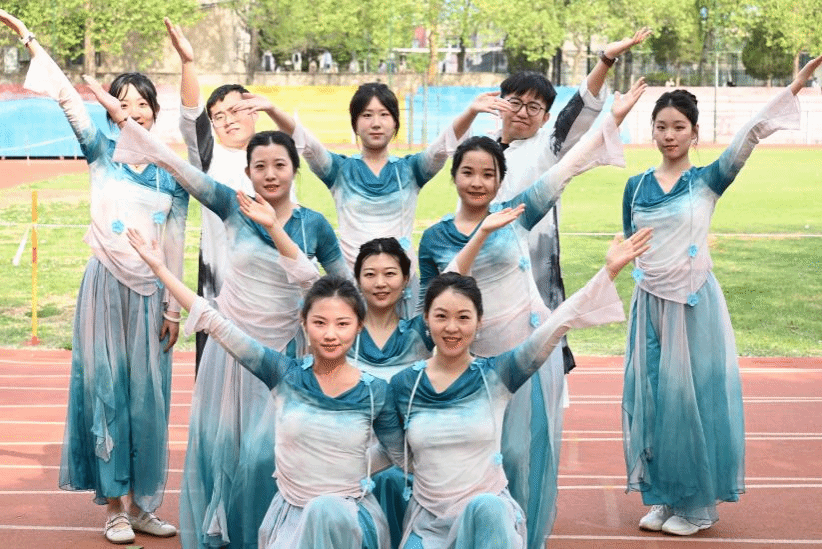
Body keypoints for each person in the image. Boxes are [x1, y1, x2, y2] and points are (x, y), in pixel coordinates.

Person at [92, 84, 350, 547]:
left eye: (280, 165)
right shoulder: (233, 205)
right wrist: (123, 119)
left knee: (267, 452)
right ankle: (221, 532)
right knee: (221, 448)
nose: (270, 174)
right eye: (260, 166)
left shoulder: (314, 225)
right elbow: (176, 165)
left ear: (295, 169)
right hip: (230, 350)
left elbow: (340, 289)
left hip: (283, 355)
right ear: (247, 172)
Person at [416, 78, 646, 547]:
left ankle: (526, 539)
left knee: (525, 456)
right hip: (471, 363)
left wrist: (613, 118)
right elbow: (435, 298)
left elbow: (567, 168)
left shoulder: (517, 215)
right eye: (468, 172)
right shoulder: (437, 237)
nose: (477, 182)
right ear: (454, 177)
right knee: (476, 458)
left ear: (499, 179)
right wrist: (482, 232)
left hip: (527, 353)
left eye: (487, 174)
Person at [0, 10, 188, 544]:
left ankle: (144, 506)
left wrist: (174, 308)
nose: (133, 111)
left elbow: (175, 243)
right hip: (104, 287)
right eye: (122, 102)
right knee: (107, 392)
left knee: (148, 400)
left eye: (143, 103)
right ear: (110, 112)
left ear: (155, 113)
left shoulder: (172, 176)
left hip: (151, 296)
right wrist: (29, 39)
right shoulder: (101, 153)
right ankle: (115, 509)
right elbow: (65, 95)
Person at [621, 54, 822, 536]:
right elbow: (629, 242)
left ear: (694, 133)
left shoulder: (708, 180)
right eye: (661, 126)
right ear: (652, 131)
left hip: (693, 305)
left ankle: (695, 506)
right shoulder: (635, 186)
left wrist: (794, 86)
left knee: (690, 401)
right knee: (654, 400)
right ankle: (665, 496)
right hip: (648, 304)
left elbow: (749, 135)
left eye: (679, 127)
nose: (669, 135)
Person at [127, 228, 405, 548]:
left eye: (342, 324)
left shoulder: (374, 392)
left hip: (349, 522)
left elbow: (397, 453)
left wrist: (352, 466)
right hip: (291, 522)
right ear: (303, 323)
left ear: (358, 326)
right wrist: (159, 268)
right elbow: (216, 324)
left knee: (327, 510)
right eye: (320, 322)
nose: (330, 334)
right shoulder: (284, 374)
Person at [392, 229, 651, 549]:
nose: (452, 327)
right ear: (426, 319)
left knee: (487, 507)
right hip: (429, 524)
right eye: (441, 316)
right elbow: (390, 454)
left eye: (463, 317)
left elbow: (557, 324)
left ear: (479, 322)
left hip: (489, 517)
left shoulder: (497, 376)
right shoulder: (405, 386)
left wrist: (608, 271)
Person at [229, 83, 513, 316]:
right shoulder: (339, 171)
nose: (375, 123)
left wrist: (471, 112)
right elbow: (307, 144)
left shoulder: (410, 170)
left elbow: (442, 147)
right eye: (366, 115)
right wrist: (273, 109)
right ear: (355, 124)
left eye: (384, 115)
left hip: (402, 287)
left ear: (395, 123)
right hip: (353, 286)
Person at [493, 28, 651, 375]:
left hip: (534, 268)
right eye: (515, 102)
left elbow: (578, 111)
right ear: (499, 103)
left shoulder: (547, 147)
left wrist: (606, 59)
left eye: (534, 107)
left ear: (545, 117)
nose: (523, 112)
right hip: (486, 267)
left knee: (538, 357)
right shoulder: (477, 150)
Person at [165, 19, 296, 372]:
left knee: (273, 383)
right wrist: (188, 63)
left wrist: (273, 108)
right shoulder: (210, 157)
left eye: (236, 110)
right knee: (219, 383)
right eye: (218, 116)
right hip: (222, 291)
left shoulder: (278, 153)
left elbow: (303, 141)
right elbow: (191, 117)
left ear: (254, 110)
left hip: (274, 291)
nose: (227, 120)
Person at [351, 238, 435, 548]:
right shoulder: (341, 333)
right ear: (357, 280)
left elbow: (454, 280)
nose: (380, 283)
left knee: (394, 481)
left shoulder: (420, 332)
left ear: (405, 279)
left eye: (390, 273)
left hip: (407, 457)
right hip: (352, 453)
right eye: (370, 274)